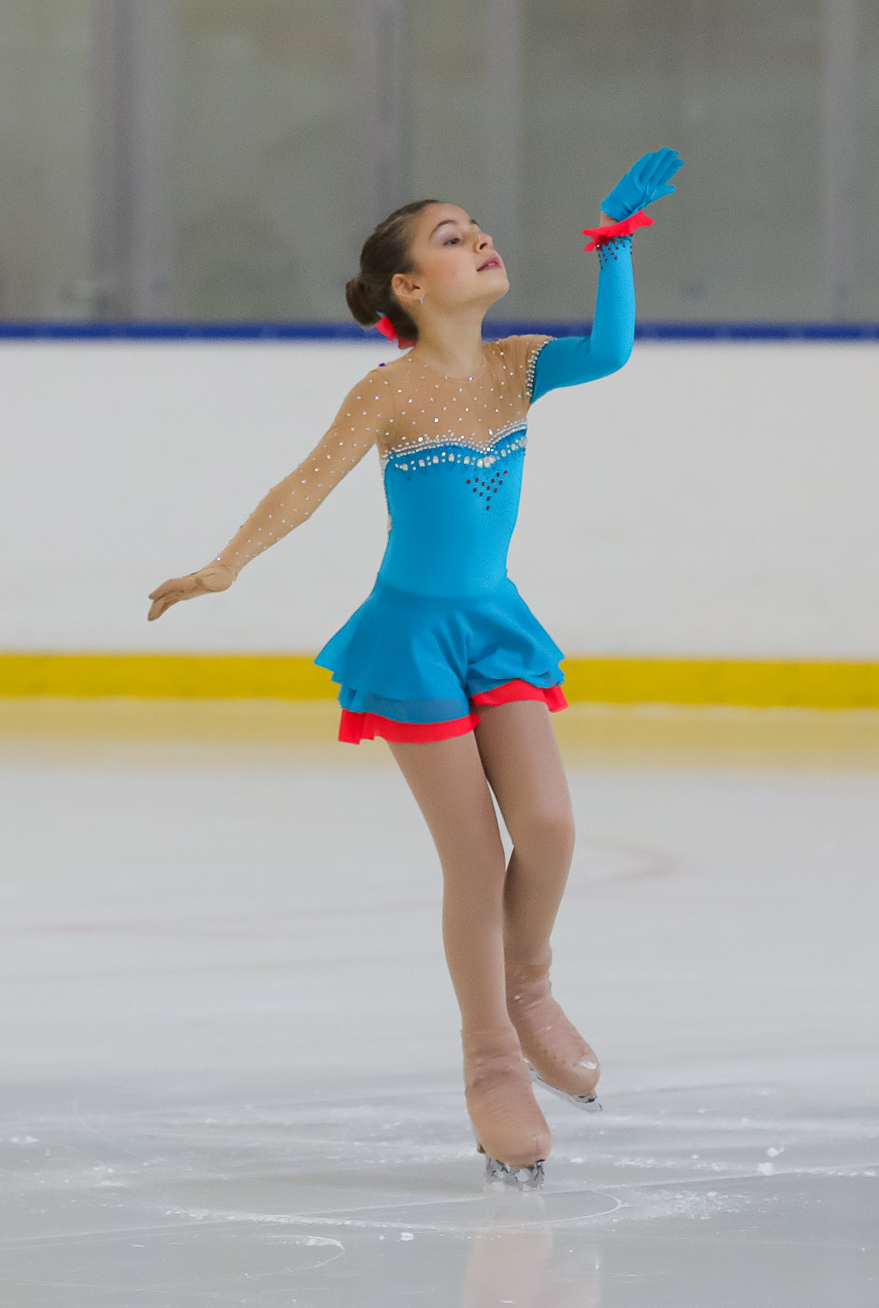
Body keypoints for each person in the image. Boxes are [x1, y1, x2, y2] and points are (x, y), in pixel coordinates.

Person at [148, 148, 684, 1186]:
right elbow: (304, 486)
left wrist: (615, 245)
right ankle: (491, 1061)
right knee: (475, 861)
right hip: (412, 639)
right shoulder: (387, 393)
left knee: (550, 825)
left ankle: (529, 990)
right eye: (451, 236)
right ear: (408, 286)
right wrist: (227, 564)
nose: (479, 238)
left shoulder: (518, 366)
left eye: (476, 226)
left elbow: (612, 352)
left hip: (495, 626)